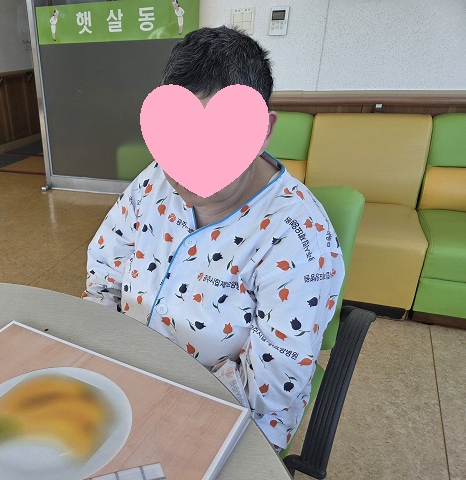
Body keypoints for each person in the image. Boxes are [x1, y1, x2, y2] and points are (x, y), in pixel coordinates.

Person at [82, 26, 345, 451]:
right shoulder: (152, 183)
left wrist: (155, 402)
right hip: (127, 376)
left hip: (227, 412)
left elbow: (271, 387)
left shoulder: (296, 237)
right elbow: (104, 274)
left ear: (262, 131)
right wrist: (101, 356)